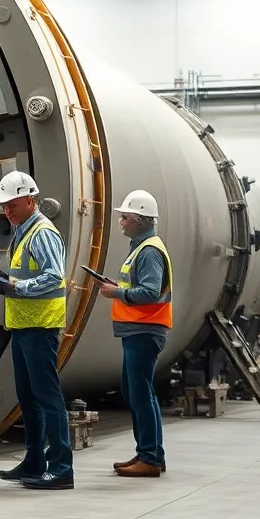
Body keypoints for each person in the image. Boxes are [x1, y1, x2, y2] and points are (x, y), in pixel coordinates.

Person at [0, 171, 73, 490]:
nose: (7, 210)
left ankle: (61, 468)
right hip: (24, 326)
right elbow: (24, 275)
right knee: (29, 397)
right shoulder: (23, 231)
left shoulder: (42, 232)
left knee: (47, 397)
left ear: (30, 200)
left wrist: (13, 287)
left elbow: (54, 277)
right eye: (4, 205)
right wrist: (2, 280)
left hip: (40, 326)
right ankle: (34, 461)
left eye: (12, 204)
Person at [97, 189, 170, 478]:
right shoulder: (143, 247)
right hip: (139, 329)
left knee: (139, 393)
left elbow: (151, 292)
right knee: (138, 391)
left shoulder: (149, 251)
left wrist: (117, 292)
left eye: (125, 217)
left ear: (139, 220)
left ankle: (149, 457)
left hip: (144, 329)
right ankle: (150, 454)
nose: (121, 221)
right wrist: (120, 289)